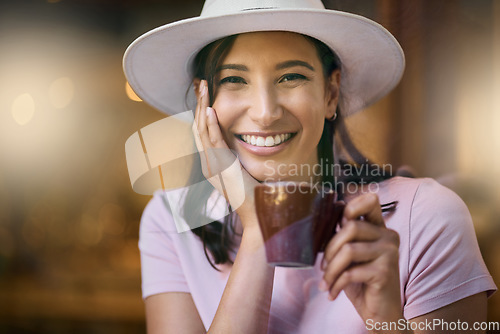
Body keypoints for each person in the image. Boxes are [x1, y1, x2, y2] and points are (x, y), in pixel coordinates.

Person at [123, 0, 497, 333]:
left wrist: (386, 323)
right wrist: (261, 232)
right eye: (234, 80)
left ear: (330, 93)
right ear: (205, 101)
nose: (266, 113)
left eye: (291, 77)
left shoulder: (428, 217)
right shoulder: (169, 222)